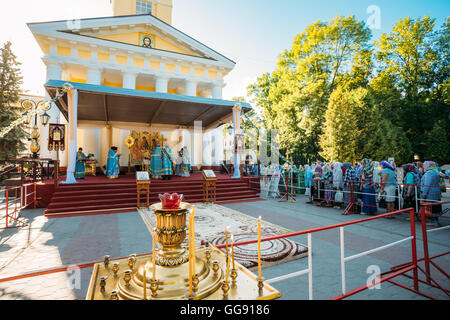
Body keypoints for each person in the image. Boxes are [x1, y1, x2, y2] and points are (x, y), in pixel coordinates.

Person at [421, 161, 442, 227]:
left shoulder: (429, 173)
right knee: (435, 206)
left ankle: (434, 221)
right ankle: (436, 221)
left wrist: (424, 193)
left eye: (424, 165)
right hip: (435, 191)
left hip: (430, 193)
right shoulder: (435, 172)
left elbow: (427, 184)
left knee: (431, 207)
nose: (423, 166)